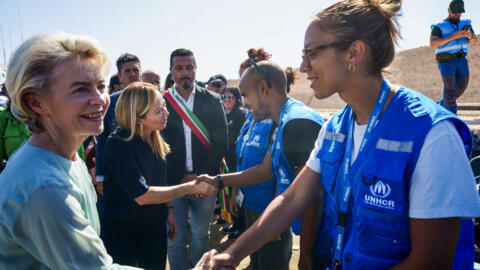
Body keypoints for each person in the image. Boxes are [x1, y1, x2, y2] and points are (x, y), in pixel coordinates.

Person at [197, 0, 480, 269]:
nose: (303, 67)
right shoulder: (336, 127)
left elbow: (431, 262)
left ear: (353, 54)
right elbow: (293, 198)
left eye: (312, 54)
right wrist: (231, 255)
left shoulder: (432, 133)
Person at [0, 32, 139, 269]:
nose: (99, 99)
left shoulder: (67, 156)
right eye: (80, 89)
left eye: (101, 85)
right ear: (36, 103)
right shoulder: (44, 189)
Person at [197, 58, 325, 269]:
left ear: (263, 88)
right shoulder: (281, 121)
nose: (244, 103)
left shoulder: (296, 123)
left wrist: (306, 255)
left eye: (245, 95)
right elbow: (264, 170)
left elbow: (312, 197)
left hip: (322, 240)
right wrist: (218, 180)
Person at [100, 82, 216, 270]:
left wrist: (169, 210)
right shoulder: (119, 144)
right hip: (123, 231)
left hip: (152, 227)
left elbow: (159, 180)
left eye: (164, 106)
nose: (166, 113)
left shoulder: (155, 136)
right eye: (158, 110)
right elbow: (142, 195)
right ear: (138, 118)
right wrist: (192, 187)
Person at [163, 48, 228, 270]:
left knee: (201, 234)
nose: (185, 73)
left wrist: (202, 178)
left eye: (189, 67)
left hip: (205, 181)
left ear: (196, 68)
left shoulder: (212, 99)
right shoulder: (162, 101)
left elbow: (221, 141)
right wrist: (182, 178)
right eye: (179, 68)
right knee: (175, 238)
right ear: (171, 71)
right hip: (174, 183)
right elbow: (158, 146)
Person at [96, 53, 142, 195]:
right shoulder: (110, 103)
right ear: (120, 75)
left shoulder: (155, 99)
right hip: (117, 173)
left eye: (135, 70)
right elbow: (102, 139)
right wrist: (100, 175)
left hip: (148, 171)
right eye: (127, 71)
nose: (132, 74)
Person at [430, 0, 477, 114]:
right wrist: (453, 36)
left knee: (462, 86)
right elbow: (433, 44)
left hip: (461, 60)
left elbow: (474, 41)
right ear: (448, 10)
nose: (457, 15)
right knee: (450, 88)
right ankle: (452, 116)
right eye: (455, 13)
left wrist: (470, 36)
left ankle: (441, 105)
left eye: (459, 13)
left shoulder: (466, 24)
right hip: (446, 60)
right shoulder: (439, 26)